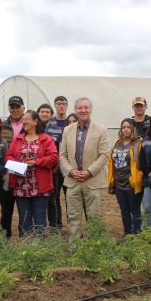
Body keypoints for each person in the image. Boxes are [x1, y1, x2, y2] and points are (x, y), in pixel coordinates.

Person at [58, 98, 110, 241]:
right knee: (73, 217)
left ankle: (94, 247)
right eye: (80, 108)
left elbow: (104, 155)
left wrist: (89, 172)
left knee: (93, 217)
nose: (83, 110)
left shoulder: (101, 130)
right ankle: (73, 246)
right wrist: (70, 171)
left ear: (91, 110)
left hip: (92, 180)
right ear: (75, 110)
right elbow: (62, 155)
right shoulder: (67, 130)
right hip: (73, 181)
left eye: (86, 108)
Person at [6, 110, 59, 236]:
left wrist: (37, 162)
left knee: (40, 220)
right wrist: (18, 165)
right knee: (24, 220)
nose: (23, 121)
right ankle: (27, 249)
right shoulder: (18, 139)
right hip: (20, 186)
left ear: (35, 121)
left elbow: (53, 158)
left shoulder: (47, 139)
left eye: (26, 119)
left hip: (40, 186)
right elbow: (8, 155)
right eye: (23, 119)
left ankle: (40, 249)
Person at [108, 118, 144, 235]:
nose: (126, 130)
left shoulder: (137, 144)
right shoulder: (117, 143)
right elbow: (111, 161)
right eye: (123, 127)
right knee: (124, 211)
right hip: (119, 183)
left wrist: (137, 179)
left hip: (132, 183)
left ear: (133, 129)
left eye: (128, 127)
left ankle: (136, 234)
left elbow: (141, 163)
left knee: (135, 210)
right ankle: (127, 234)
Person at [0, 95, 25, 237]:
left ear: (23, 108)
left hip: (25, 171)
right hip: (7, 171)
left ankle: (24, 232)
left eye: (17, 107)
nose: (15, 110)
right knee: (6, 205)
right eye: (12, 107)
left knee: (23, 205)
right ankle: (5, 234)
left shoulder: (28, 125)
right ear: (9, 109)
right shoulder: (2, 126)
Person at [45, 96, 69, 229]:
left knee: (70, 198)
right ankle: (56, 225)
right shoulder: (50, 124)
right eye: (59, 104)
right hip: (54, 168)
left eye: (63, 104)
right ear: (55, 105)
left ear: (67, 106)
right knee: (53, 198)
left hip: (68, 167)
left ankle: (72, 226)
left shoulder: (71, 121)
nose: (61, 106)